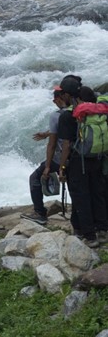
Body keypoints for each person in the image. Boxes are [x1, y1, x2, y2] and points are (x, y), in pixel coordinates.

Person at [57, 77, 107, 247]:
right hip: (98, 157)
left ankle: (90, 237)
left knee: (81, 197)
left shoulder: (68, 115)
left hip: (79, 161)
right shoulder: (96, 109)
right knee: (97, 193)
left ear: (65, 94)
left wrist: (62, 167)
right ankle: (102, 231)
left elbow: (66, 145)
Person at [21, 87, 66, 225]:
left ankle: (40, 213)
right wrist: (47, 133)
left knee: (35, 177)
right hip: (79, 158)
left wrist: (47, 166)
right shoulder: (80, 110)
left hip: (61, 159)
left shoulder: (57, 115)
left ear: (58, 99)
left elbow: (51, 145)